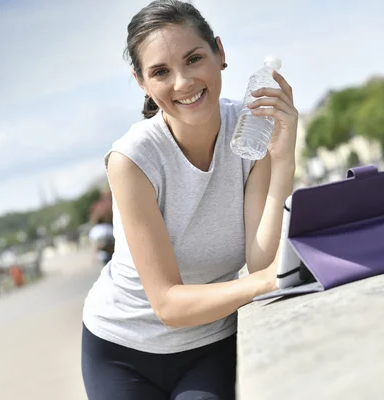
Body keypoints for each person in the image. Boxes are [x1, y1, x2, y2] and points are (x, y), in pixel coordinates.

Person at [81, 1, 298, 399]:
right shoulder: (132, 160)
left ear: (220, 53)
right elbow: (168, 304)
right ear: (142, 82)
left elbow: (262, 261)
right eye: (160, 72)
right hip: (120, 349)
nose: (182, 82)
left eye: (194, 58)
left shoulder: (251, 129)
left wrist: (283, 160)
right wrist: (269, 280)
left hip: (210, 345)